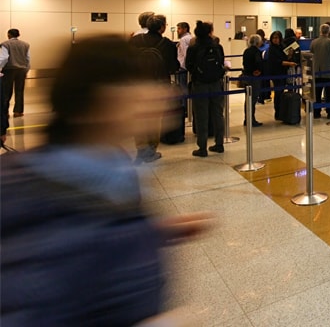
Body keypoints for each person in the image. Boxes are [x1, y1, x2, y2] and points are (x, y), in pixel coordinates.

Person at [0, 35, 211, 325]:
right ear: (98, 99)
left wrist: (148, 232)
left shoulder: (107, 168)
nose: (160, 94)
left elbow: (93, 228)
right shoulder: (50, 212)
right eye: (140, 83)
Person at [130, 15, 178, 163]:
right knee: (155, 119)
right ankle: (151, 150)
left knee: (139, 119)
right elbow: (173, 67)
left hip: (137, 86)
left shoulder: (135, 41)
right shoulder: (168, 44)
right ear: (162, 27)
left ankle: (141, 149)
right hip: (159, 86)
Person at [185, 21, 226, 157]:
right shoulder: (217, 46)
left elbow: (188, 66)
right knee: (218, 114)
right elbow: (221, 63)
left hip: (200, 85)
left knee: (201, 116)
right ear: (210, 32)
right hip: (216, 84)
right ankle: (219, 143)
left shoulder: (193, 47)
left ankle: (202, 147)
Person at [264, 31, 297, 121]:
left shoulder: (281, 47)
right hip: (276, 73)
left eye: (277, 38)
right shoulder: (271, 49)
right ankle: (277, 112)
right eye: (274, 38)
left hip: (283, 72)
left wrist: (289, 56)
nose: (276, 39)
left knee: (281, 93)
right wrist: (289, 63)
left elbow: (285, 58)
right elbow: (277, 62)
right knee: (278, 93)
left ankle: (282, 112)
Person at [0, 29, 30, 126]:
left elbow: (4, 58)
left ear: (8, 35)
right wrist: (26, 69)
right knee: (19, 91)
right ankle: (18, 111)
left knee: (6, 91)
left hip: (9, 70)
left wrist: (0, 68)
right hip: (21, 70)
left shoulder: (5, 44)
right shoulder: (25, 44)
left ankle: (5, 111)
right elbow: (28, 58)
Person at [311, 24, 330, 118]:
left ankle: (316, 112)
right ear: (329, 31)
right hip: (328, 71)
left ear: (320, 31)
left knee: (316, 93)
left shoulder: (314, 42)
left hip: (316, 71)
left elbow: (311, 56)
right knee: (329, 94)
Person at [241, 34, 264, 127]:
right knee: (253, 99)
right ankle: (251, 119)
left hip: (246, 76)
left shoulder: (246, 51)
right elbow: (258, 63)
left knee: (247, 99)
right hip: (254, 78)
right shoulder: (257, 52)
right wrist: (259, 71)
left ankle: (247, 118)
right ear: (258, 42)